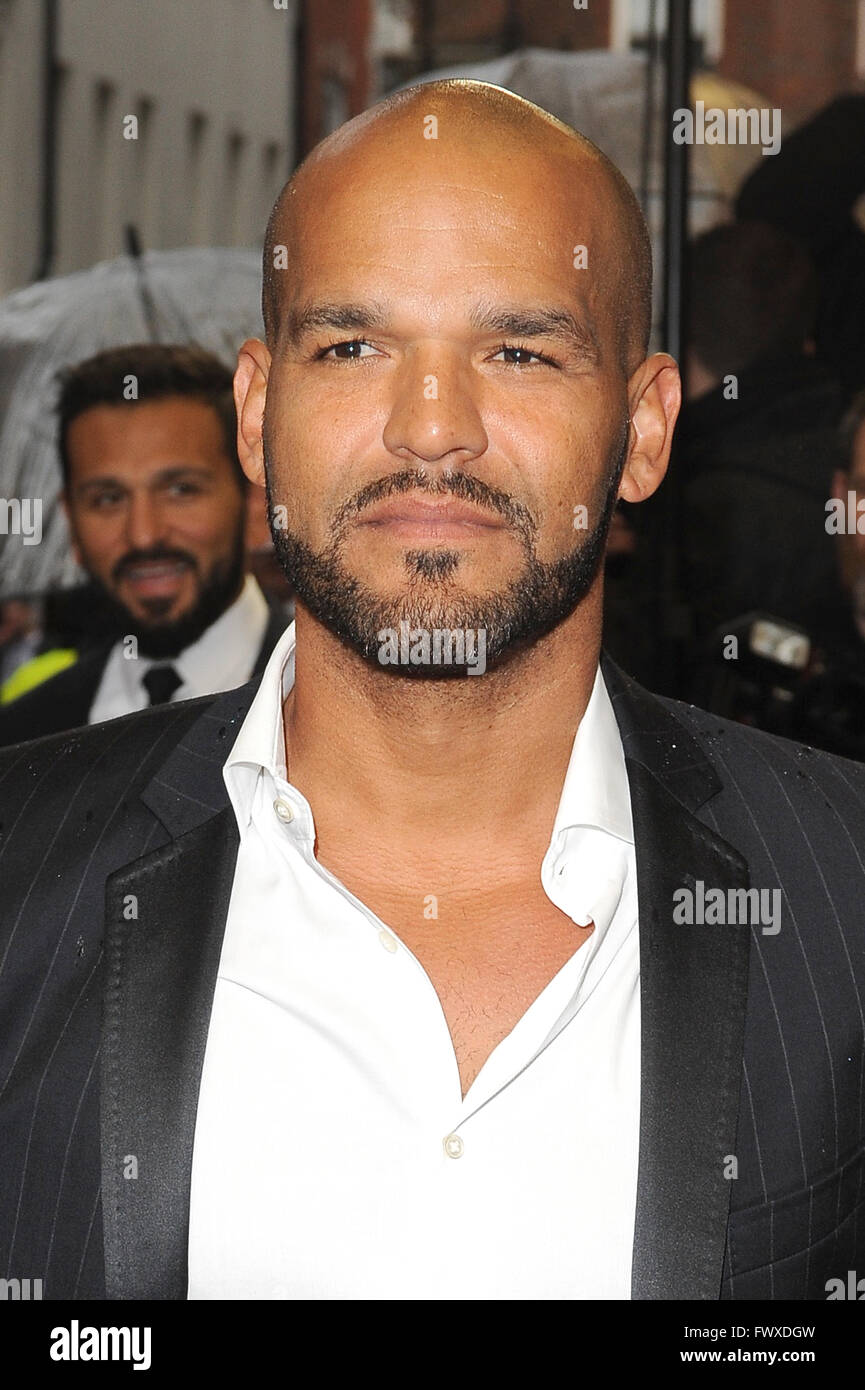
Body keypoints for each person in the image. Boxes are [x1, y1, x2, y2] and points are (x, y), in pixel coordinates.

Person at [1, 80, 864, 1303]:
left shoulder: (842, 895)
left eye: (517, 350)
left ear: (646, 429)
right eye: (352, 346)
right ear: (256, 415)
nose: (430, 427)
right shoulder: (18, 874)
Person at [0, 344, 288, 744]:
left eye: (180, 490)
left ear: (256, 506)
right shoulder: (19, 738)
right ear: (71, 521)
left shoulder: (342, 705)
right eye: (108, 499)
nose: (144, 535)